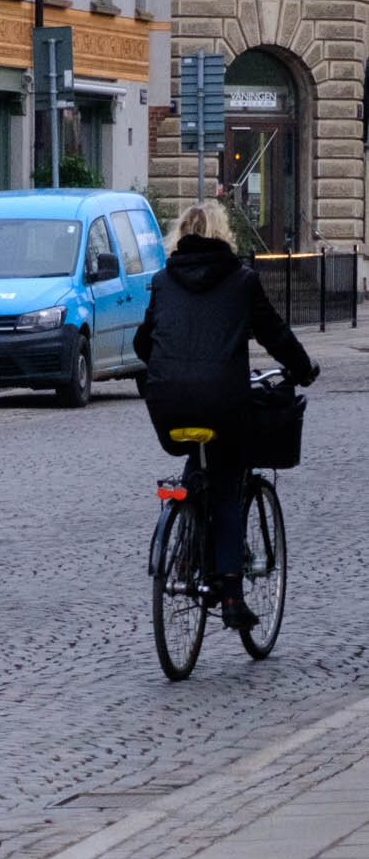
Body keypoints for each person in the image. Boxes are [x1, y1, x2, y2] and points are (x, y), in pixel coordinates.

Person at [133, 200, 318, 631]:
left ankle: (185, 557)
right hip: (223, 403)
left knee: (198, 462)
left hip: (168, 405)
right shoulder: (241, 280)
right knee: (229, 481)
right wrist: (303, 369)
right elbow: (275, 333)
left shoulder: (163, 282)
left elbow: (145, 343)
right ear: (224, 234)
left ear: (179, 235)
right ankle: (232, 593)